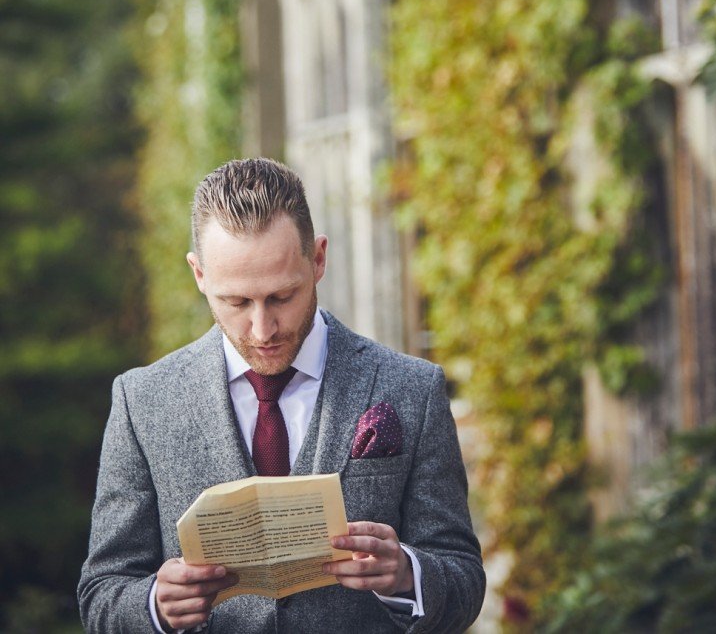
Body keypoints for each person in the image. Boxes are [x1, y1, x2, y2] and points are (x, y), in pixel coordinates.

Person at [79, 158, 485, 632]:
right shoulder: (142, 401)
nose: (262, 328)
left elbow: (464, 580)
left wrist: (406, 575)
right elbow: (101, 594)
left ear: (318, 259)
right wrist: (154, 606)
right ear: (199, 275)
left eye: (281, 297)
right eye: (236, 302)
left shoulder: (414, 389)